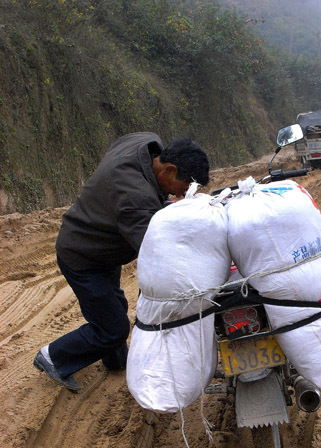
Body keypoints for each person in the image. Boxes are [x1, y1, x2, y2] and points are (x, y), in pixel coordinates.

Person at [34, 133, 210, 391]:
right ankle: (53, 357)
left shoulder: (144, 144)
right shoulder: (135, 199)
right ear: (169, 169)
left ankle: (115, 360)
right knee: (112, 329)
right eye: (181, 188)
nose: (180, 195)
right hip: (82, 257)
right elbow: (156, 252)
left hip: (102, 245)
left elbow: (126, 143)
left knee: (114, 305)